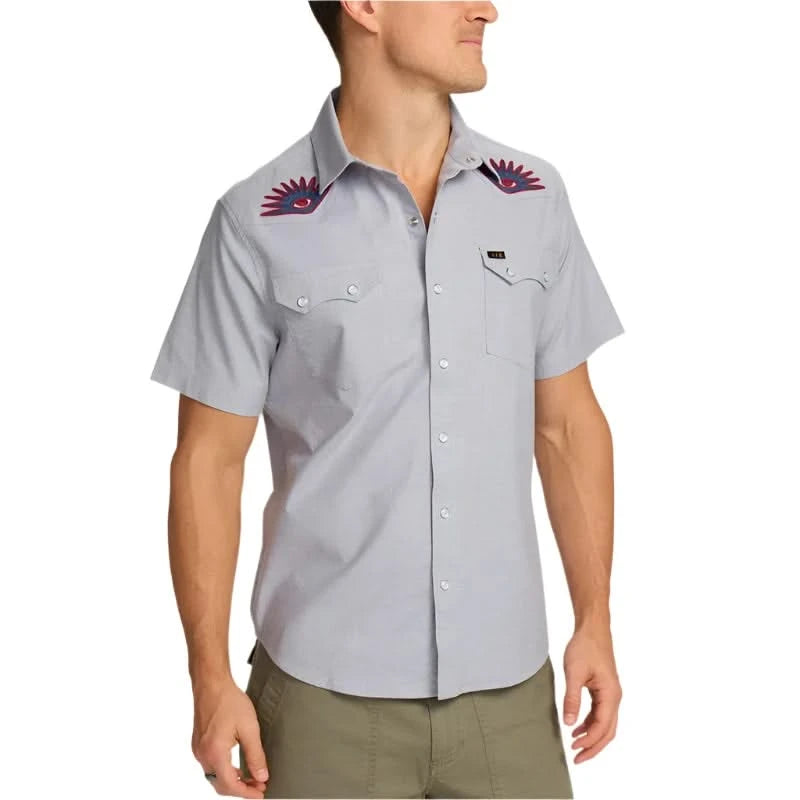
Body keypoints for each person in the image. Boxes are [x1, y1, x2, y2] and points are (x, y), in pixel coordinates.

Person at [149, 2, 624, 797]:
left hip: (510, 696)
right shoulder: (255, 222)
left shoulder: (533, 197)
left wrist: (595, 618)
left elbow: (568, 426)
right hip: (322, 706)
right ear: (365, 6)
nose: (488, 8)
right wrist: (209, 677)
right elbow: (208, 461)